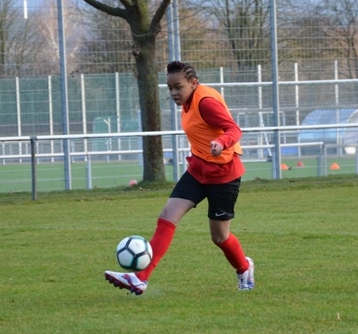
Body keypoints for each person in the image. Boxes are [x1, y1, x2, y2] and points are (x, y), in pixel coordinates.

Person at [104, 61, 254, 295]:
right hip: (198, 170)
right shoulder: (187, 101)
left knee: (219, 236)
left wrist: (220, 142)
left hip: (223, 175)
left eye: (178, 87)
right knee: (167, 216)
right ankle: (140, 278)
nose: (173, 92)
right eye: (170, 88)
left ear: (193, 83)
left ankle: (244, 268)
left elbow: (234, 129)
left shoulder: (206, 102)